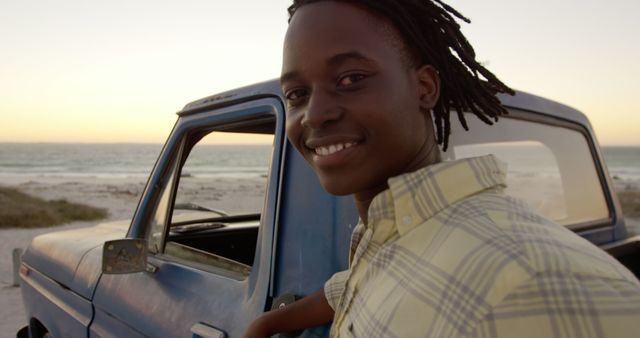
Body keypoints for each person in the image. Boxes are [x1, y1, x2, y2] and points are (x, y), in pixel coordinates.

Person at [245, 0, 640, 337]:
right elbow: (366, 280)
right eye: (297, 94)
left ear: (425, 88)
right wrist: (266, 324)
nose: (314, 115)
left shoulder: (536, 283)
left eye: (351, 79)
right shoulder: (395, 232)